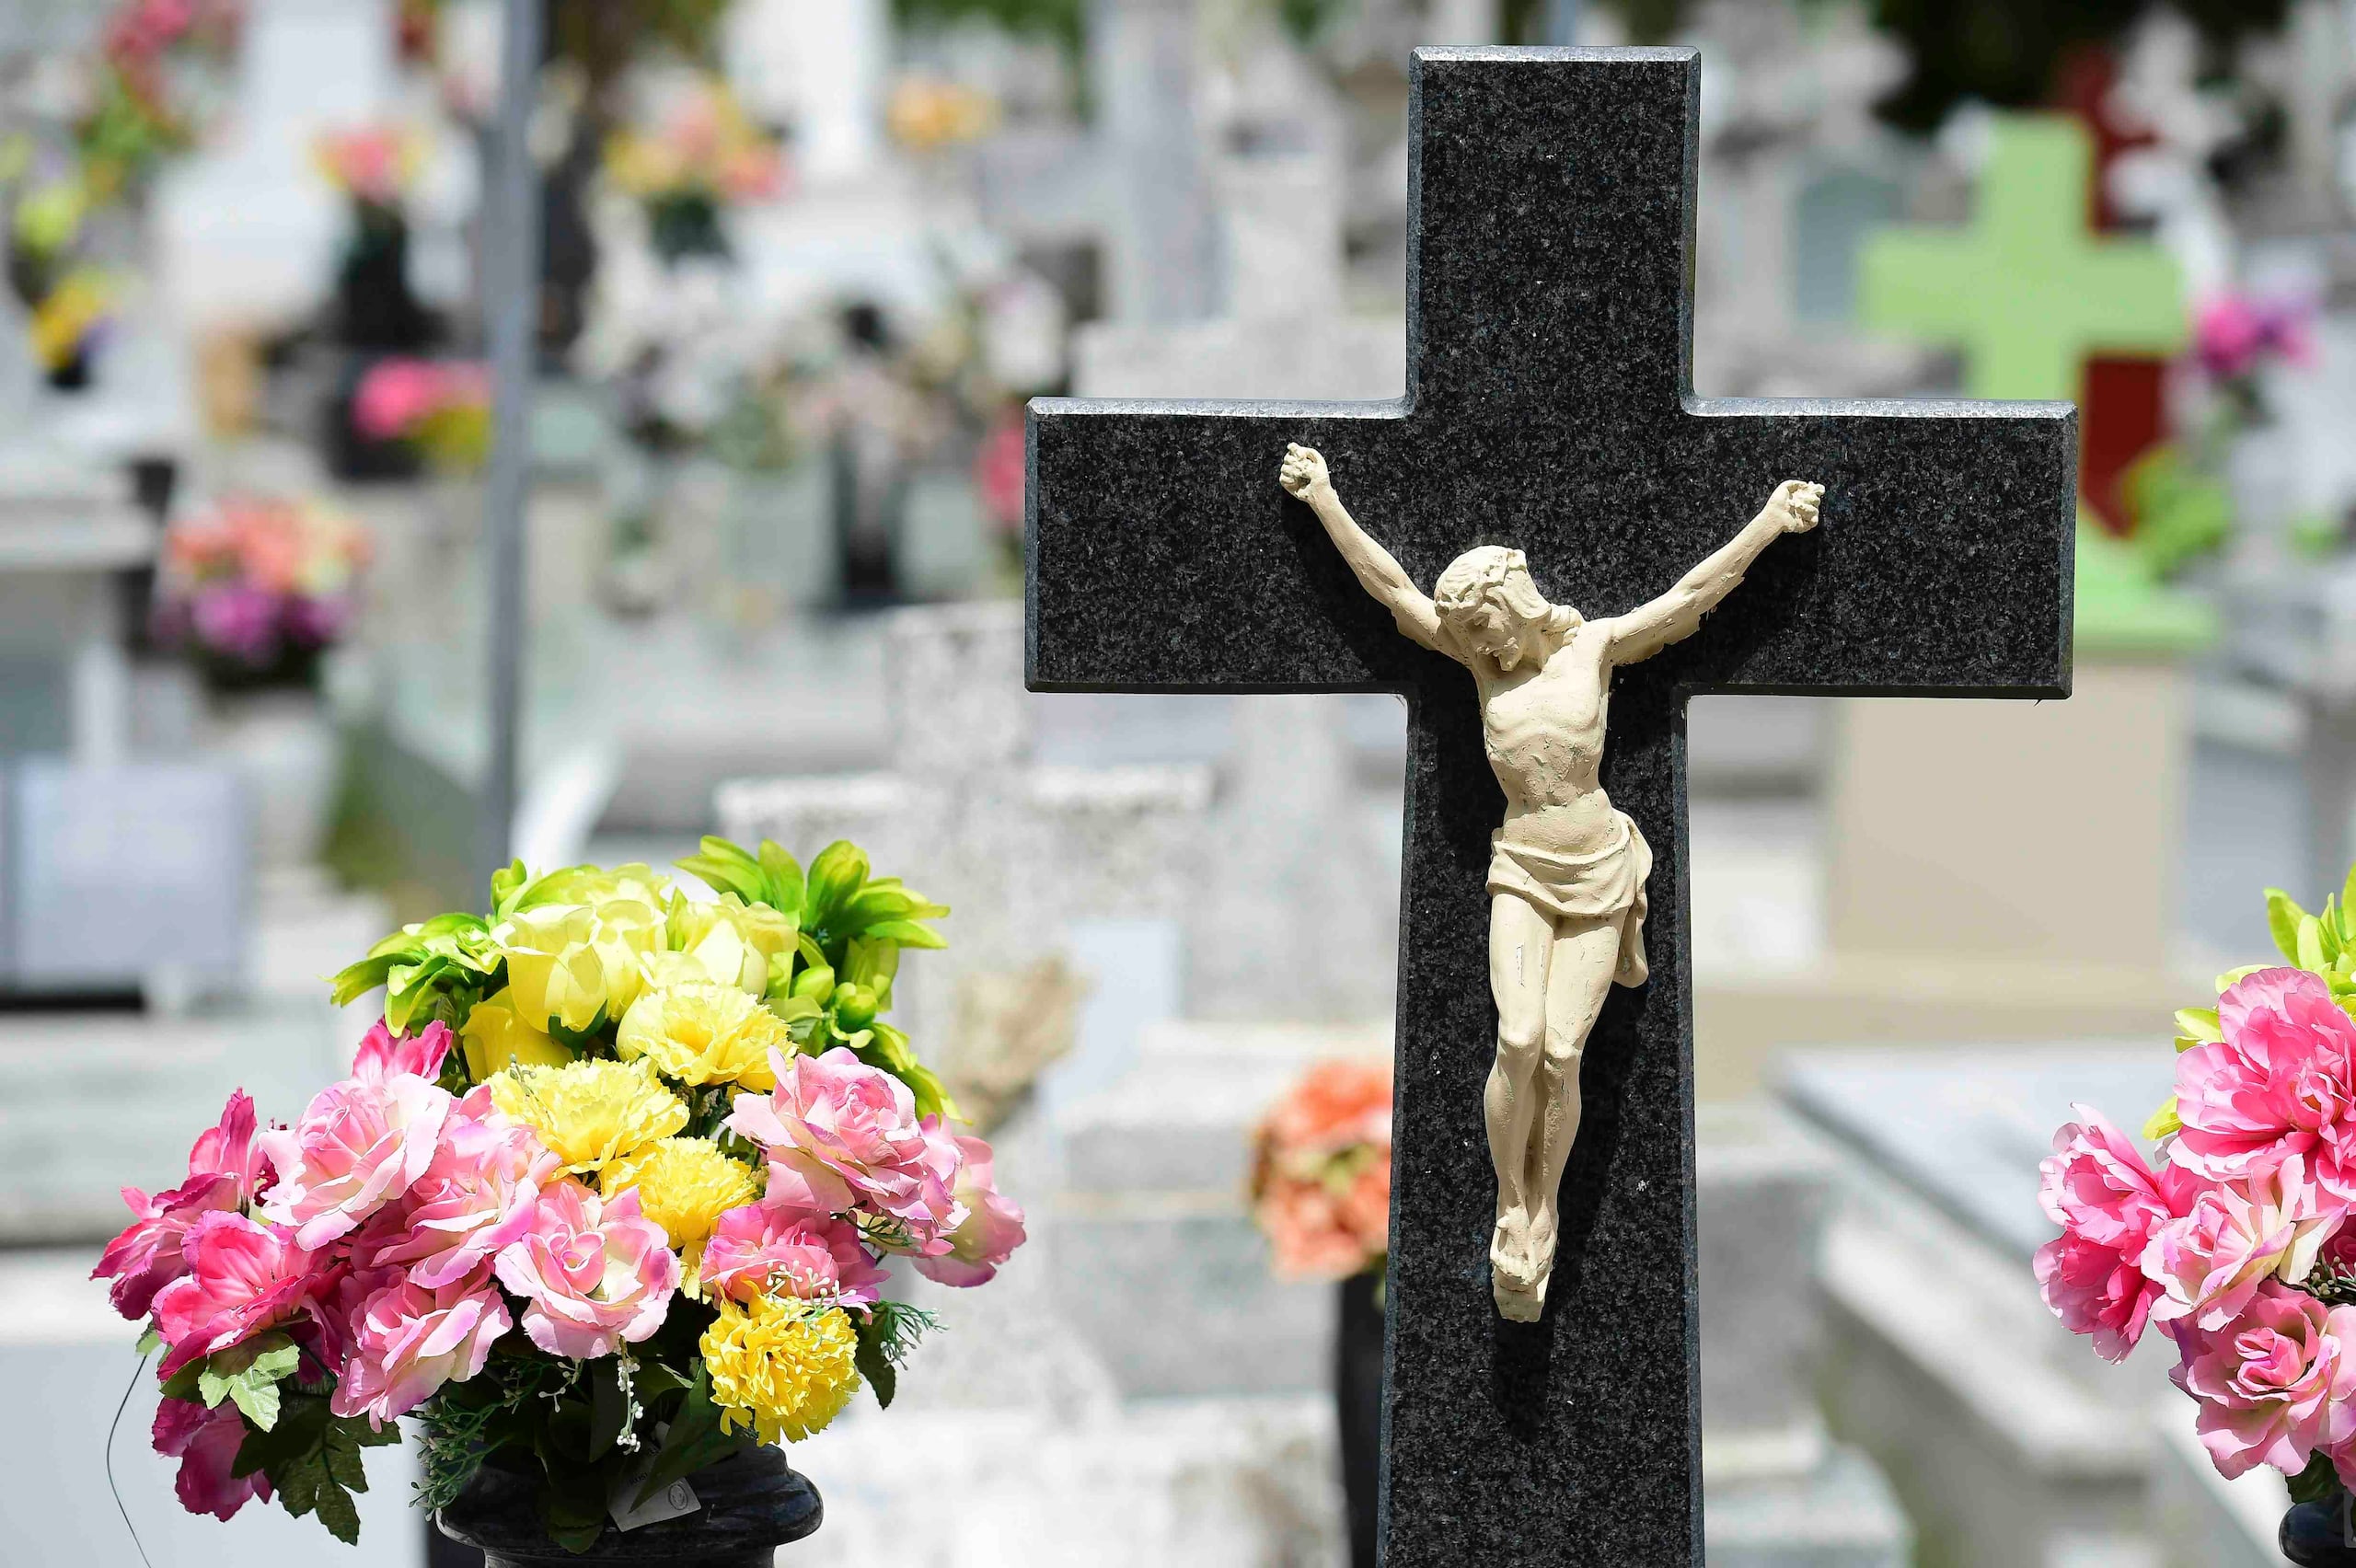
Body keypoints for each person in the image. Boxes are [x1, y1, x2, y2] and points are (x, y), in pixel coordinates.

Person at [1277, 442, 1822, 1320]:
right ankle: (1509, 1200)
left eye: (1484, 622)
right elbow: (1389, 590)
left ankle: (1547, 1205)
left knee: (1565, 1055)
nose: (1477, 641)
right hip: (1523, 868)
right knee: (1518, 1038)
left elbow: (1687, 599)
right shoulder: (1474, 667)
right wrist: (1325, 499)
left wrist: (1767, 524)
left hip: (1600, 867)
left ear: (1514, 603)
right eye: (1466, 629)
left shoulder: (1594, 651)